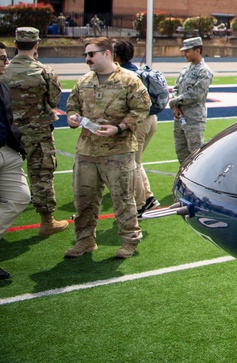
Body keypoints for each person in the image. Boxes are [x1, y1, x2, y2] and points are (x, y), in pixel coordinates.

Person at [64, 37, 151, 259]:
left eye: (91, 54)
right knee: (84, 200)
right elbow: (72, 105)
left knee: (123, 199)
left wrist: (120, 128)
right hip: (87, 151)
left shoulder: (129, 80)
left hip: (118, 151)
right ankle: (85, 241)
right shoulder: (84, 81)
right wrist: (72, 117)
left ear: (107, 54)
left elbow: (142, 108)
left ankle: (130, 240)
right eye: (85, 55)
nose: (87, 59)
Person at [0, 27, 68, 237]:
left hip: (9, 134)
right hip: (38, 132)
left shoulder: (4, 72)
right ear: (37, 44)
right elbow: (55, 101)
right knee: (41, 176)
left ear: (15, 44)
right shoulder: (45, 72)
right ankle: (47, 221)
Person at [113, 41, 159, 215]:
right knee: (136, 162)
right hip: (150, 119)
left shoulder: (124, 75)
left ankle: (141, 204)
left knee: (132, 163)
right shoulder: (137, 71)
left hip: (139, 122)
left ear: (116, 55)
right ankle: (147, 197)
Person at [0, 42, 32, 280]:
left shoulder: (2, 84)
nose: (6, 62)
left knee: (20, 197)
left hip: (7, 151)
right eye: (2, 58)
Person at [170, 36, 214, 165]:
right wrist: (176, 106)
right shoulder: (185, 70)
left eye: (187, 51)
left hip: (194, 119)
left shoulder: (204, 71)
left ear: (197, 51)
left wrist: (176, 101)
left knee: (195, 154)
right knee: (181, 151)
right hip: (180, 117)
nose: (185, 54)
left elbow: (196, 93)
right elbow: (176, 88)